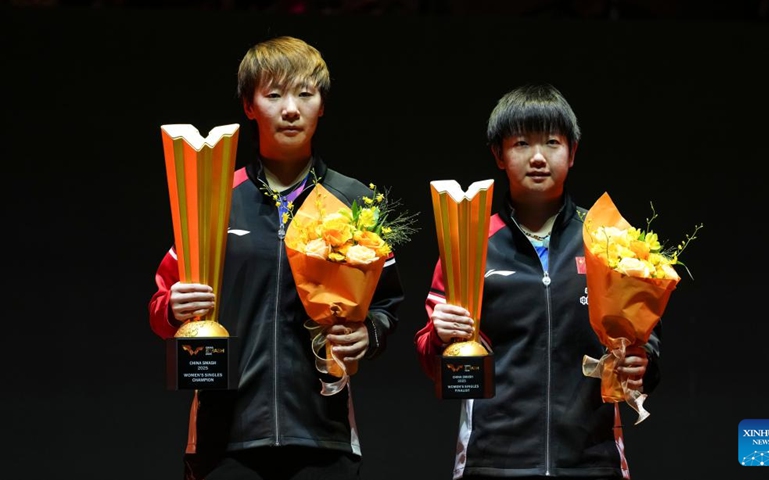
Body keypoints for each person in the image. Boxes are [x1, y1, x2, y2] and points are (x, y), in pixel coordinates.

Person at [149, 36, 405, 480]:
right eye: (273, 95)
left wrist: (370, 335)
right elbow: (160, 307)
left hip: (322, 438)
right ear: (249, 106)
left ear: (322, 104)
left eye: (305, 94)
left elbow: (386, 304)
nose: (291, 109)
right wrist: (172, 308)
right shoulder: (214, 198)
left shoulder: (356, 201)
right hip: (224, 440)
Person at [414, 83, 661, 480]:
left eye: (552, 142)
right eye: (522, 144)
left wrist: (642, 362)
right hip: (492, 460)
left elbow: (645, 339)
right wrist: (439, 336)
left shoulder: (609, 240)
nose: (539, 158)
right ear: (498, 154)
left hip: (592, 461)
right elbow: (433, 361)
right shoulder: (471, 245)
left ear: (573, 152)